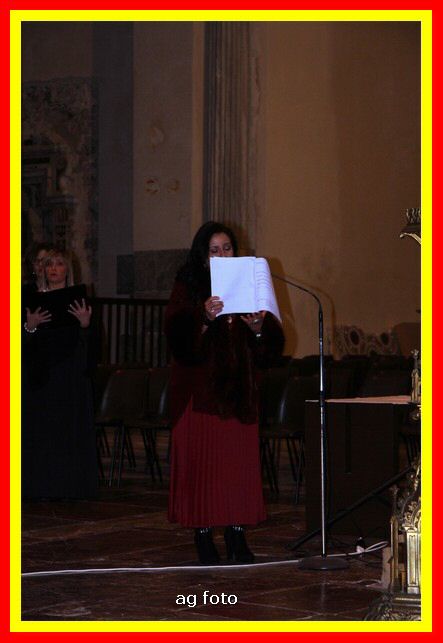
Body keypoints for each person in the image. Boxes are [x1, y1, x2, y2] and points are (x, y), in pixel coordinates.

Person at [165, 221, 285, 565]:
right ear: (203, 255)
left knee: (236, 470)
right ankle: (203, 534)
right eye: (214, 250)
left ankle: (236, 533)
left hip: (239, 393)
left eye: (227, 248)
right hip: (199, 394)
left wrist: (260, 329)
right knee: (203, 468)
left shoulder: (250, 281)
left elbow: (270, 350)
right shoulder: (188, 284)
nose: (222, 254)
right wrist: (203, 317)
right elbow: (177, 339)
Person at [22, 248, 98, 500]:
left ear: (68, 269)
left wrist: (85, 325)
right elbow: (20, 344)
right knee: (42, 431)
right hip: (41, 375)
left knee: (68, 430)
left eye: (59, 264)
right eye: (49, 264)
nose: (53, 269)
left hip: (70, 374)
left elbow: (92, 345)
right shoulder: (30, 299)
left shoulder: (79, 301)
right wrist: (30, 327)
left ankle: (69, 486)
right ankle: (40, 486)